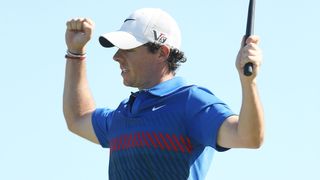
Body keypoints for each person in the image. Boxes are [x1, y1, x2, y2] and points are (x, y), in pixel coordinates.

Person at [63, 8, 264, 180]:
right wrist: (75, 52)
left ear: (162, 52)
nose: (116, 56)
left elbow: (248, 137)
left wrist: (249, 83)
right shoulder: (123, 113)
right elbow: (77, 118)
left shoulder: (190, 101)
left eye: (128, 49)